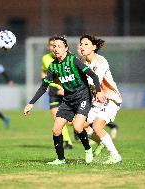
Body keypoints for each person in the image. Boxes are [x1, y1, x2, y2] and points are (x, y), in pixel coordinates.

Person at [24, 36, 106, 165]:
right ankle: (61, 159)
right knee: (56, 129)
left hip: (83, 97)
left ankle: (88, 149)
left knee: (78, 127)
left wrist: (99, 91)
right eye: (54, 46)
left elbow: (93, 75)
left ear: (66, 49)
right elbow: (44, 86)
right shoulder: (53, 66)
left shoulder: (73, 61)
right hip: (68, 100)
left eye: (59, 46)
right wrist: (31, 103)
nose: (56, 49)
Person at [79, 34, 122, 164]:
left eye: (86, 44)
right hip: (97, 101)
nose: (82, 46)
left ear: (94, 47)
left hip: (110, 98)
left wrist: (96, 91)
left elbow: (95, 79)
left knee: (97, 126)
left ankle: (115, 156)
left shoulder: (100, 61)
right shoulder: (83, 62)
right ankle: (102, 142)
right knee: (80, 125)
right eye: (81, 44)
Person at [41, 37, 73, 149]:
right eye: (51, 45)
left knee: (70, 121)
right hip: (53, 91)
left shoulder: (66, 58)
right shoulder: (45, 58)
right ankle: (68, 142)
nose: (53, 47)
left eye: (55, 45)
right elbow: (44, 71)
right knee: (57, 118)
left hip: (65, 89)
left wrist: (65, 89)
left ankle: (85, 128)